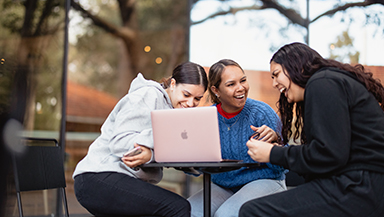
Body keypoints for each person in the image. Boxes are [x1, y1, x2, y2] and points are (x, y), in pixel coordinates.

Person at [240, 42, 384, 217]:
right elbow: (327, 155)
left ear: (296, 66)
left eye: (276, 75)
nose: (274, 84)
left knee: (253, 211)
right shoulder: (328, 82)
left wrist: (273, 154)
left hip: (361, 187)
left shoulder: (322, 83)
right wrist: (278, 155)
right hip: (361, 184)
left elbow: (328, 155)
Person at [72, 62, 208, 217]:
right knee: (178, 208)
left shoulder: (174, 111)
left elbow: (160, 150)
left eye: (197, 98)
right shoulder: (147, 95)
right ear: (173, 84)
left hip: (119, 179)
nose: (191, 103)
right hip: (97, 177)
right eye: (186, 95)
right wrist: (163, 139)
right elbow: (119, 142)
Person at [187, 59, 287, 217]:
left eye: (243, 80)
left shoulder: (262, 113)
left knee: (227, 214)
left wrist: (274, 144)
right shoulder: (205, 118)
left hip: (265, 181)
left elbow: (282, 166)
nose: (241, 88)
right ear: (216, 90)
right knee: (189, 212)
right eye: (231, 84)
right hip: (223, 185)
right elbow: (196, 171)